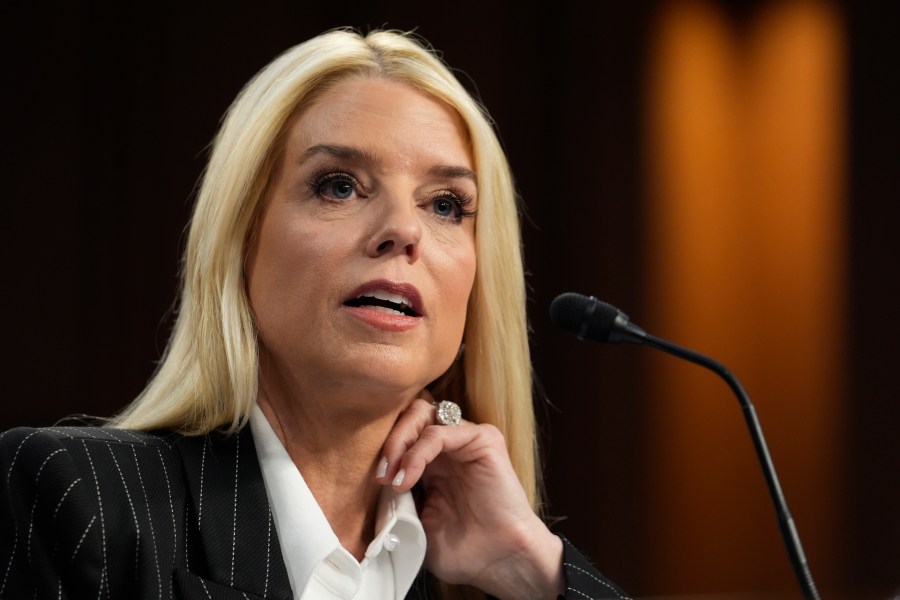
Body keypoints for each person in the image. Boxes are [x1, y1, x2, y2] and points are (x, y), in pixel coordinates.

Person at [0, 28, 629, 600]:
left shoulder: (484, 575)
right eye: (339, 185)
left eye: (444, 204)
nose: (403, 230)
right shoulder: (79, 504)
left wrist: (530, 564)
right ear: (241, 237)